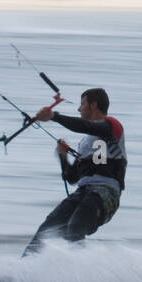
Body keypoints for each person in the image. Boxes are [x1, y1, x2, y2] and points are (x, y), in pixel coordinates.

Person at [22, 88, 127, 256]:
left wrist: (54, 116)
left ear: (93, 105)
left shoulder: (112, 126)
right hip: (83, 192)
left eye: (82, 104)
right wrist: (63, 157)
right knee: (47, 229)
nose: (79, 109)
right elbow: (71, 177)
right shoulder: (85, 143)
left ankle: (81, 273)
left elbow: (86, 126)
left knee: (75, 227)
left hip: (106, 194)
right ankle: (21, 273)